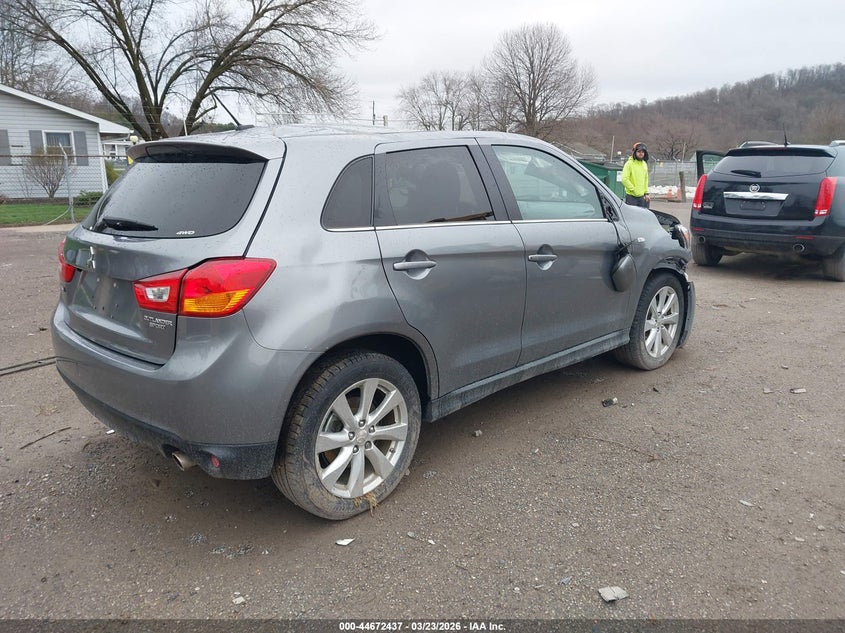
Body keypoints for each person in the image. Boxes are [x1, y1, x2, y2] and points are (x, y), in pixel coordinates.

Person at [621, 142, 650, 207]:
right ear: (634, 152)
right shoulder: (629, 164)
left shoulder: (644, 164)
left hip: (642, 197)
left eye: (642, 152)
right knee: (632, 216)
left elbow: (646, 179)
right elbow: (624, 179)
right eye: (639, 151)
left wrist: (646, 193)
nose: (641, 153)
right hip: (631, 197)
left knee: (643, 216)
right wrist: (633, 189)